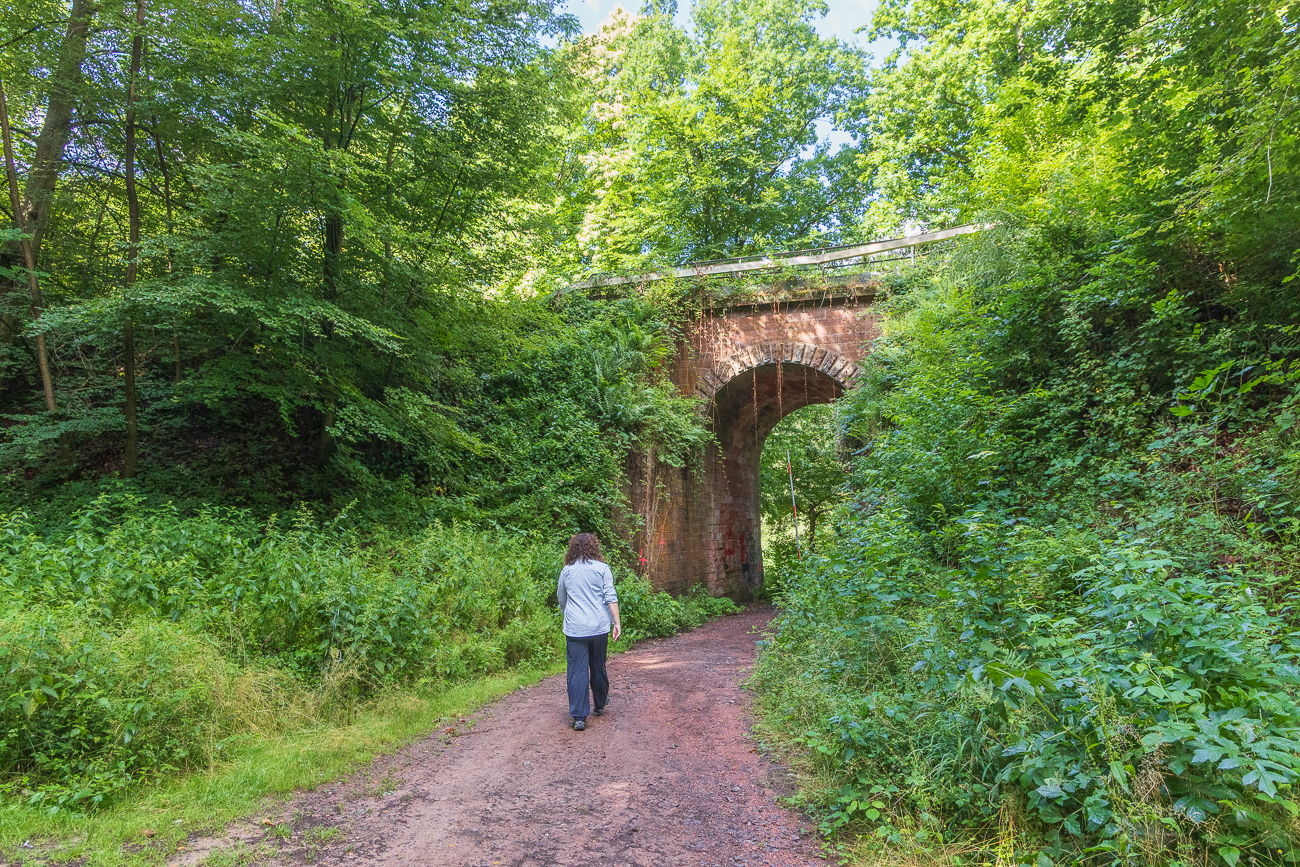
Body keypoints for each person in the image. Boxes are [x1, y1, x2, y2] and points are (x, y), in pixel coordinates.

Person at [557, 533, 621, 731]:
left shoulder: (567, 571)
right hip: (599, 626)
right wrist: (616, 622)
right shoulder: (602, 569)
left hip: (575, 628)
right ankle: (600, 704)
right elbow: (610, 596)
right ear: (595, 548)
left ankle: (579, 717)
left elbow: (561, 598)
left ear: (573, 549)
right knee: (598, 665)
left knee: (577, 671)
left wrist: (568, 611)